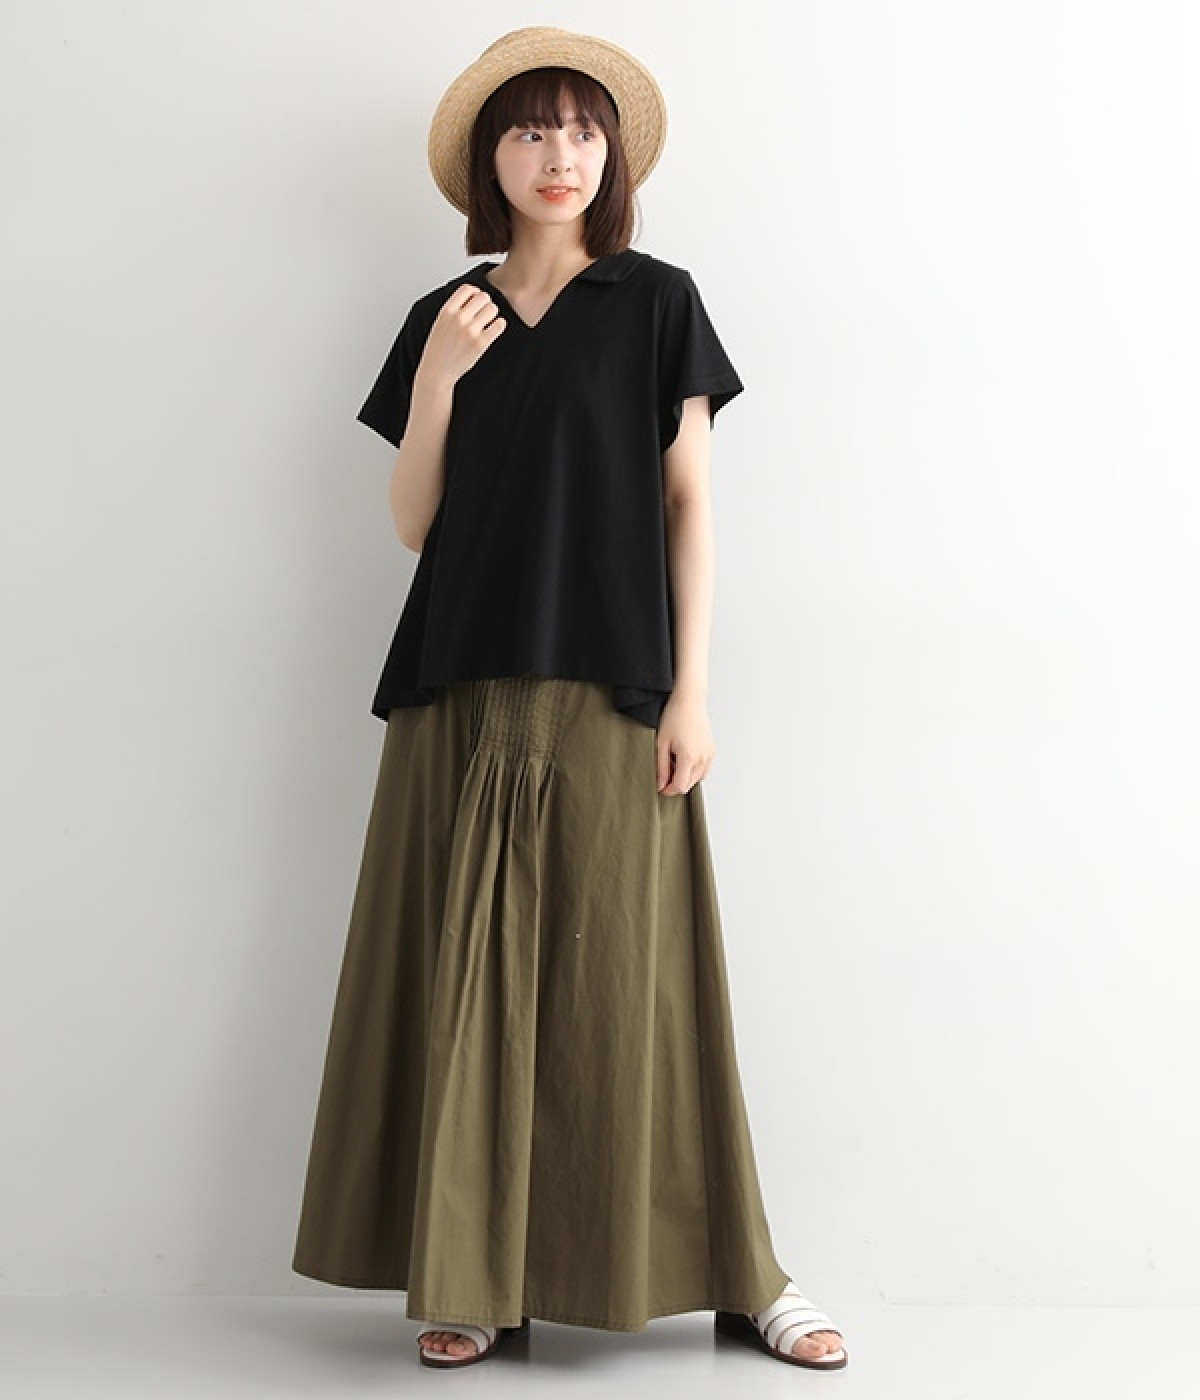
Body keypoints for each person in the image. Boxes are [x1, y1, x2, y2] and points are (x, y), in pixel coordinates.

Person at [291, 25, 849, 1374]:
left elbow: (688, 503)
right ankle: (473, 1277)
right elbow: (414, 525)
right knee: (465, 981)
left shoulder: (659, 303)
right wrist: (438, 378)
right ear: (490, 159)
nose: (561, 154)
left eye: (583, 131)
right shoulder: (446, 315)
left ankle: (746, 1275)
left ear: (613, 158)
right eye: (533, 131)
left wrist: (693, 691)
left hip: (615, 682)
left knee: (634, 987)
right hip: (460, 682)